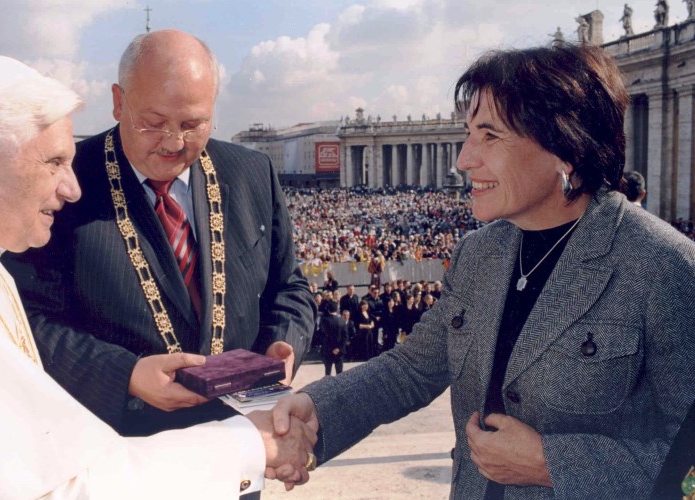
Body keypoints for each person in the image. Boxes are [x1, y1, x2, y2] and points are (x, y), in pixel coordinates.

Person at [0, 54, 316, 498]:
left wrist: (279, 353)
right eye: (53, 163)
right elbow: (63, 485)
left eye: (193, 123)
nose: (72, 187)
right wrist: (249, 445)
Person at [270, 44, 695, 499]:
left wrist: (554, 464)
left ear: (566, 148)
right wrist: (315, 410)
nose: (464, 159)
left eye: (489, 136)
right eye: (468, 133)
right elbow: (410, 370)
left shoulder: (664, 267)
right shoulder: (479, 253)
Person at [4, 30, 315, 437]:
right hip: (115, 443)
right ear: (119, 102)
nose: (173, 143)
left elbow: (290, 287)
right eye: (153, 123)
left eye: (193, 123)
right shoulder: (64, 182)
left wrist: (283, 344)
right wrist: (127, 374)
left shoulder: (250, 174)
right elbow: (26, 320)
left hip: (239, 439)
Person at [319, 301, 348, 376]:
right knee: (340, 373)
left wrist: (331, 348)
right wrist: (338, 348)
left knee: (328, 372)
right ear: (337, 309)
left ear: (328, 310)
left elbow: (323, 336)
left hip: (328, 349)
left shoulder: (324, 320)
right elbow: (345, 337)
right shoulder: (342, 321)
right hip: (339, 351)